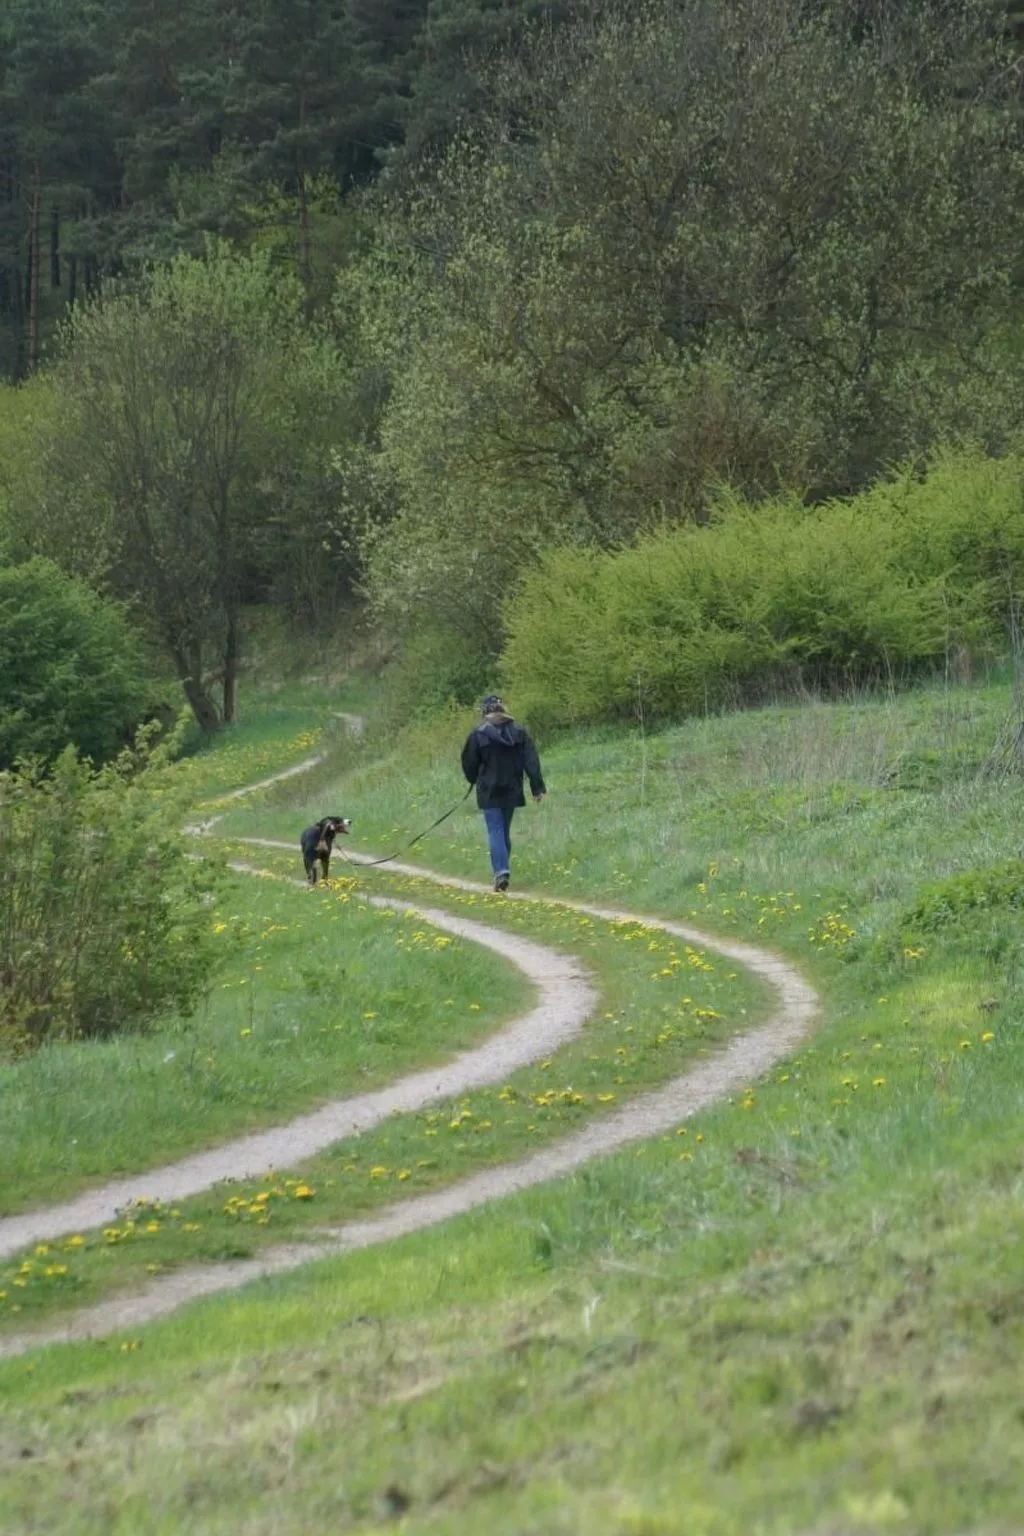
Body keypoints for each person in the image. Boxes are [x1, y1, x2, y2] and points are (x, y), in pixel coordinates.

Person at [461, 693, 546, 892]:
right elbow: (531, 761)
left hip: (488, 790)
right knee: (503, 830)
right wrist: (537, 787)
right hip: (512, 788)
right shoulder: (519, 732)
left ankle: (501, 872)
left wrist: (473, 778)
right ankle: (502, 871)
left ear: (485, 711)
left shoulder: (478, 734)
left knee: (495, 830)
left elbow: (468, 762)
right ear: (502, 709)